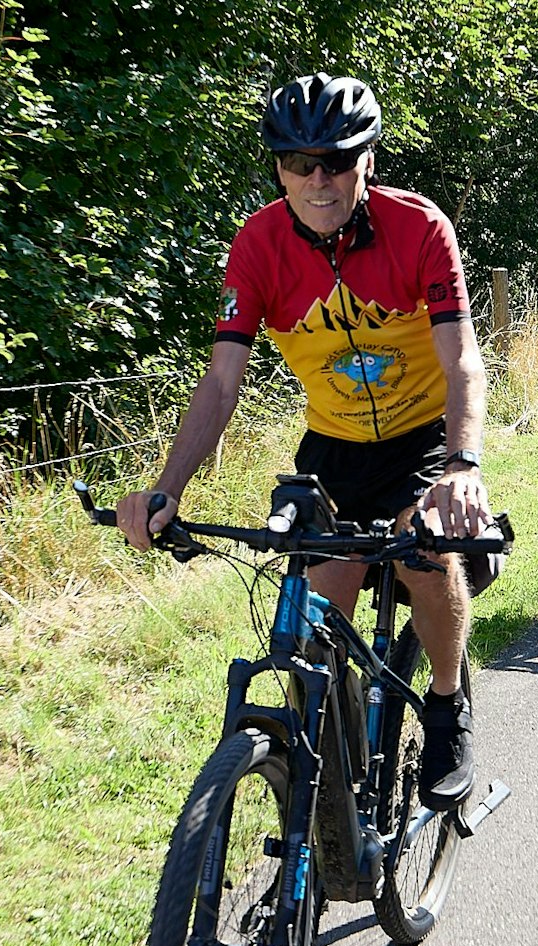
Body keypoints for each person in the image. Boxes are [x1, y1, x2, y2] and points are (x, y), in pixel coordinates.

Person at [117, 74, 492, 812]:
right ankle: (334, 771)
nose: (318, 178)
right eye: (298, 162)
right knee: (320, 625)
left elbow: (461, 360)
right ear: (277, 169)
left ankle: (446, 706)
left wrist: (461, 466)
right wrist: (167, 488)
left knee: (425, 556)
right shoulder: (257, 245)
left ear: (367, 162)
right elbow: (222, 382)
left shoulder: (419, 228)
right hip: (333, 444)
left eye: (337, 160)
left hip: (421, 436)